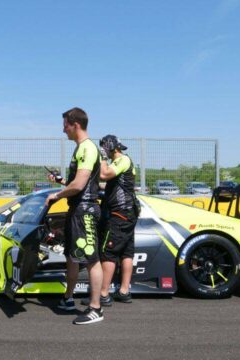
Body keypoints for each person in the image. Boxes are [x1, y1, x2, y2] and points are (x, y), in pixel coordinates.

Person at [45, 107, 104, 325]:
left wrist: (57, 195)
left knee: (91, 260)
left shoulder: (87, 148)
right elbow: (77, 182)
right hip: (76, 209)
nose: (63, 130)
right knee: (71, 257)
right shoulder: (80, 149)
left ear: (75, 125)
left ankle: (96, 308)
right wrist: (60, 182)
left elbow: (79, 185)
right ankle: (68, 298)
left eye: (65, 125)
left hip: (85, 210)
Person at [97, 135, 139, 305]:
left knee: (109, 253)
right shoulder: (122, 163)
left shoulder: (122, 160)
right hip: (128, 213)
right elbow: (108, 185)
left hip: (120, 214)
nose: (103, 150)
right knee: (126, 253)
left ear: (110, 147)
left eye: (104, 147)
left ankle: (103, 294)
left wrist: (102, 158)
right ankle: (124, 291)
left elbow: (104, 174)